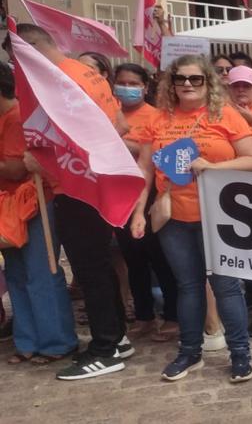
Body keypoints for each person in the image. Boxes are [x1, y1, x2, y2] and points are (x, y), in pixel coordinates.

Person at [8, 23, 133, 380]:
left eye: (15, 58)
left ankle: (105, 348)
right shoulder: (87, 73)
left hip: (79, 186)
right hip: (93, 182)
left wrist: (41, 159)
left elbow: (80, 137)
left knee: (90, 269)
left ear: (28, 50)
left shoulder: (62, 83)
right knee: (98, 265)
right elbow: (119, 126)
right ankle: (117, 336)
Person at [131, 54, 252, 383]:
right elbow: (145, 170)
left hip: (219, 216)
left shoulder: (226, 115)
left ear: (208, 83)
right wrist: (138, 213)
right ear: (171, 84)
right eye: (181, 79)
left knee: (226, 286)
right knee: (187, 287)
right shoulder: (157, 120)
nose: (187, 84)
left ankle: (241, 354)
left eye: (196, 79)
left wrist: (214, 167)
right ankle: (190, 353)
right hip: (173, 217)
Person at [0, 62, 78, 366]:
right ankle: (28, 340)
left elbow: (18, 167)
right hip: (8, 206)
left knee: (41, 273)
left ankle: (57, 341)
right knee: (16, 274)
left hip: (33, 203)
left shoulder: (18, 116)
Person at [113, 63, 180, 342]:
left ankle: (173, 316)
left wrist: (118, 140)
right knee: (132, 257)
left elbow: (150, 155)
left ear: (145, 87)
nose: (127, 88)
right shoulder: (109, 115)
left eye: (133, 83)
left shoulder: (155, 116)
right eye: (122, 83)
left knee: (158, 257)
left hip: (149, 192)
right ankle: (144, 316)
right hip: (118, 193)